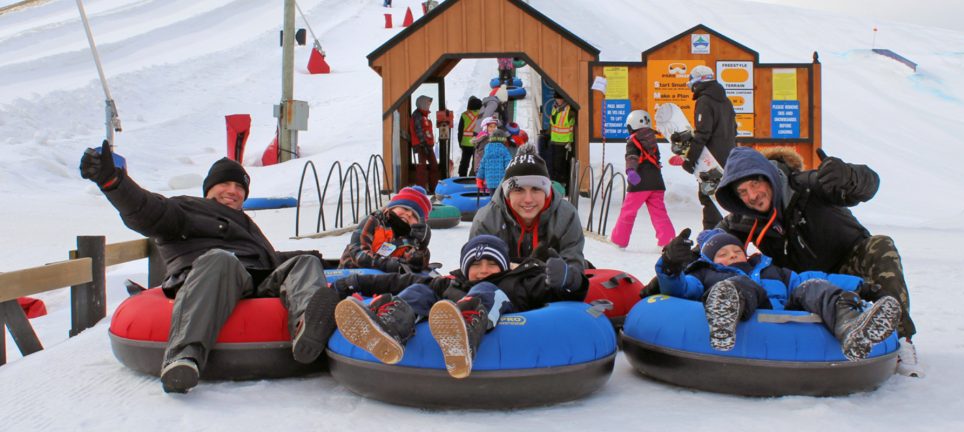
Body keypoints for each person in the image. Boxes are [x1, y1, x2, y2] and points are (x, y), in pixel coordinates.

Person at [79, 142, 338, 393]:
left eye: (239, 186)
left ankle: (309, 328)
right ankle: (183, 359)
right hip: (207, 277)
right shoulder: (185, 208)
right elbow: (148, 210)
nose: (233, 191)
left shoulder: (246, 224)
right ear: (209, 188)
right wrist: (113, 182)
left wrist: (330, 261)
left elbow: (270, 259)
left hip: (253, 280)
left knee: (305, 262)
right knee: (222, 258)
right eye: (225, 183)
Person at [715, 146, 924, 377]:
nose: (752, 196)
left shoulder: (810, 185)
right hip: (807, 284)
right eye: (742, 191)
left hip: (850, 267)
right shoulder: (743, 219)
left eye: (755, 184)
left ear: (769, 176)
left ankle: (902, 341)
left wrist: (850, 177)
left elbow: (868, 186)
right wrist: (679, 261)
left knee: (881, 246)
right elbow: (711, 247)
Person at [332, 235, 588, 378]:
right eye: (475, 265)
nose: (483, 270)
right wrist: (357, 281)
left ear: (503, 265)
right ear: (466, 268)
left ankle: (464, 333)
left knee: (485, 290)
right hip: (450, 312)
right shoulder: (452, 285)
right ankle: (389, 328)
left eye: (491, 264)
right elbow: (401, 279)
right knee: (420, 289)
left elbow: (564, 296)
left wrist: (572, 278)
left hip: (502, 318)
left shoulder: (520, 282)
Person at [655, 229, 901, 361]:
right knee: (739, 284)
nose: (731, 255)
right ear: (710, 260)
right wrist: (669, 267)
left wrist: (861, 286)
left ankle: (851, 325)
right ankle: (723, 312)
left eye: (735, 250)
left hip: (784, 311)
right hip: (749, 311)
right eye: (722, 254)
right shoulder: (703, 275)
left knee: (812, 285)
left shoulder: (772, 270)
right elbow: (680, 290)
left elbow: (814, 278)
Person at [471, 143, 586, 271]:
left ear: (546, 191)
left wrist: (563, 275)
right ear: (507, 193)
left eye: (536, 189)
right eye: (518, 190)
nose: (528, 200)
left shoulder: (566, 216)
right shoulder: (486, 220)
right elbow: (478, 272)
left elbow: (574, 267)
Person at [680, 65, 737, 229]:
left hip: (710, 159)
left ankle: (712, 238)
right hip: (728, 157)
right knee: (723, 198)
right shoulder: (726, 101)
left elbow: (703, 133)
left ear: (697, 83)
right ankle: (728, 232)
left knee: (709, 196)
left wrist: (690, 159)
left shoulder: (704, 101)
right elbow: (734, 130)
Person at [610, 110, 675, 249]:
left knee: (628, 212)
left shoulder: (634, 140)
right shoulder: (652, 139)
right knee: (659, 212)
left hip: (639, 182)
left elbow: (632, 156)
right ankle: (667, 241)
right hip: (657, 182)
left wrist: (631, 170)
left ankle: (619, 240)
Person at [338, 186, 432, 273]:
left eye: (415, 216)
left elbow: (415, 265)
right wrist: (387, 264)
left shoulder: (411, 239)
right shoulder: (373, 222)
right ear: (393, 207)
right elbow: (358, 253)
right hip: (350, 276)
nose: (409, 215)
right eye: (404, 208)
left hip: (384, 283)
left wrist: (421, 247)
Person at [475, 119, 513, 194]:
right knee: (502, 201)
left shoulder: (487, 153)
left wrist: (479, 179)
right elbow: (509, 167)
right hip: (503, 183)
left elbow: (482, 167)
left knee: (493, 200)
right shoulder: (505, 153)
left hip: (490, 183)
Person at [411, 95, 438, 191]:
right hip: (422, 145)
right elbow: (418, 129)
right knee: (422, 167)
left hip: (427, 145)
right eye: (428, 104)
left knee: (434, 166)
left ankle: (433, 188)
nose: (429, 106)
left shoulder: (424, 116)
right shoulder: (417, 115)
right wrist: (423, 144)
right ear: (422, 104)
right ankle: (420, 189)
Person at [548, 93, 576, 187]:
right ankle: (559, 184)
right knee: (555, 165)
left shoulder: (569, 109)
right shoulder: (555, 107)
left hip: (564, 142)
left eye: (559, 98)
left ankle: (562, 184)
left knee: (560, 165)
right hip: (555, 141)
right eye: (556, 98)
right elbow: (553, 124)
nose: (557, 100)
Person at [457, 96, 482, 176]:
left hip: (466, 143)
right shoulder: (482, 115)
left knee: (464, 161)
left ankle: (462, 176)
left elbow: (460, 130)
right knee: (476, 162)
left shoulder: (464, 115)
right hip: (478, 142)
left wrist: (460, 142)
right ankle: (473, 177)